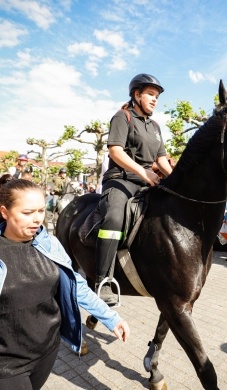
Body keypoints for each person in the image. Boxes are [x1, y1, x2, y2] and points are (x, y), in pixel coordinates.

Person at [0, 179, 130, 390]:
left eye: (41, 211)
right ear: (4, 212)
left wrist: (111, 318)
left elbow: (76, 283)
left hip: (47, 352)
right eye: (27, 213)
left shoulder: (48, 243)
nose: (37, 220)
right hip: (7, 364)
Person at [96, 73, 172, 304]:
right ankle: (103, 280)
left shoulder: (156, 127)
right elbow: (115, 152)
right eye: (150, 94)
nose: (154, 99)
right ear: (136, 94)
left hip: (147, 182)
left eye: (156, 96)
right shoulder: (123, 116)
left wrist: (178, 180)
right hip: (121, 180)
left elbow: (161, 161)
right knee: (114, 218)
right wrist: (143, 172)